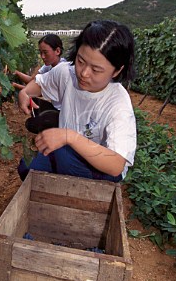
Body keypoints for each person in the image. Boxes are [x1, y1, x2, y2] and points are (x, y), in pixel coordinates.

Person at [17, 20, 137, 183]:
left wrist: (70, 136)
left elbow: (116, 164)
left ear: (117, 70)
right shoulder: (66, 73)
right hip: (69, 153)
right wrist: (25, 92)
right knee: (26, 167)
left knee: (62, 152)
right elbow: (40, 83)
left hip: (103, 170)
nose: (84, 73)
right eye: (80, 61)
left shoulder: (118, 105)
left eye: (96, 69)